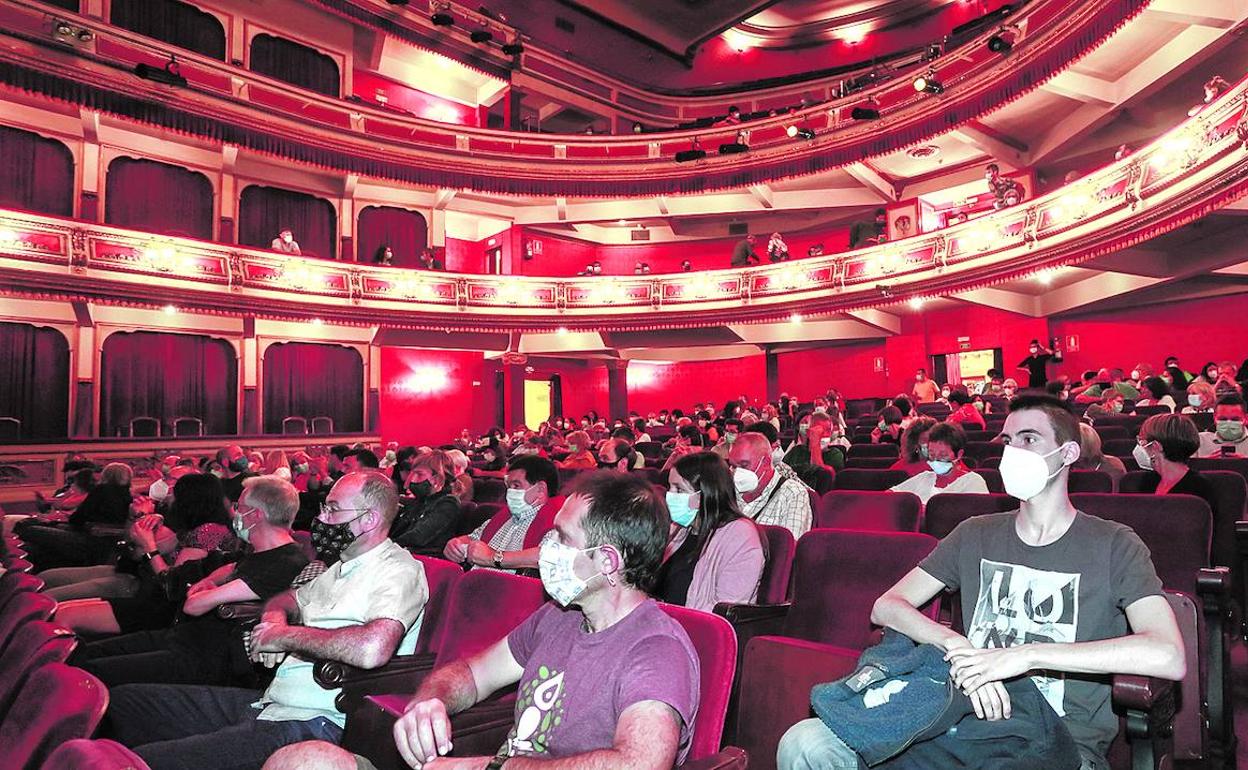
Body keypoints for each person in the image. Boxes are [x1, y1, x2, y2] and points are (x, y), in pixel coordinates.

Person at [777, 394, 1185, 770]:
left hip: (1057, 740)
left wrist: (1027, 655)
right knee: (804, 742)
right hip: (961, 720)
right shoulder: (975, 533)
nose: (1014, 452)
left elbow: (1167, 654)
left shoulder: (1114, 544)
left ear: (1068, 453)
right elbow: (886, 606)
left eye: (1029, 439)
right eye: (1009, 440)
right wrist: (956, 644)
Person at [267, 472, 701, 770]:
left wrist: (491, 766)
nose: (546, 546)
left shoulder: (656, 647)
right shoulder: (558, 618)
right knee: (305, 759)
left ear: (606, 561)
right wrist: (432, 701)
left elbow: (639, 763)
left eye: (562, 538)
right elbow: (472, 674)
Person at [105, 471, 427, 770]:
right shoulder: (340, 567)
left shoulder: (397, 570)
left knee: (141, 763)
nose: (321, 519)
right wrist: (274, 617)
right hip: (269, 704)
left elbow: (373, 647)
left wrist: (284, 636)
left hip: (311, 724)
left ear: (368, 519)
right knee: (124, 703)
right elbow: (287, 598)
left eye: (332, 510)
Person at [70, 476, 311, 687]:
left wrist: (208, 590)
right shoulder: (254, 553)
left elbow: (193, 605)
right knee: (82, 655)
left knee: (91, 673)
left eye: (239, 507)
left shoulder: (286, 560)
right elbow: (215, 574)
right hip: (181, 636)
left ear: (256, 515)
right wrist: (211, 584)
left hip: (205, 656)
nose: (234, 513)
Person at [658, 452, 765, 612]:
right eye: (670, 487)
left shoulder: (740, 536)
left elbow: (722, 609)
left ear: (703, 495)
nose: (670, 496)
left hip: (693, 629)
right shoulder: (681, 529)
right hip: (660, 621)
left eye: (679, 490)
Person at [443, 455, 562, 573]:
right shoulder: (506, 515)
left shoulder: (559, 521)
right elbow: (474, 537)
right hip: (477, 582)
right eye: (509, 486)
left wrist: (493, 557)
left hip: (513, 588)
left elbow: (551, 556)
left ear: (541, 490)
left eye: (516, 486)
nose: (509, 492)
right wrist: (456, 544)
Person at [18, 461, 134, 569]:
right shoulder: (128, 496)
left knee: (29, 529)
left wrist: (59, 522)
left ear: (106, 475)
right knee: (35, 547)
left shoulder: (102, 490)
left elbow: (77, 519)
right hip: (105, 546)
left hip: (88, 542)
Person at [728, 432, 812, 539]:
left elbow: (789, 547)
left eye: (744, 465)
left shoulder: (793, 494)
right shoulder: (727, 489)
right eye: (733, 466)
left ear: (766, 462)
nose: (736, 472)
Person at [1132, 413, 1216, 512]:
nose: (1140, 447)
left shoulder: (1199, 487)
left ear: (1156, 446)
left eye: (1142, 441)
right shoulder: (1147, 481)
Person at [889, 423, 988, 505]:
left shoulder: (973, 481)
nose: (936, 460)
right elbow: (890, 495)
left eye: (943, 455)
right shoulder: (924, 477)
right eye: (932, 454)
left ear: (959, 454)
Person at [389, 450, 461, 557]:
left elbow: (418, 537)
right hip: (405, 556)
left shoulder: (448, 503)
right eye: (412, 473)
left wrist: (387, 547)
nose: (412, 480)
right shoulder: (419, 502)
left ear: (437, 479)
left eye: (419, 474)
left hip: (427, 561)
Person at [782, 412, 844, 486]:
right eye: (819, 431)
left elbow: (821, 476)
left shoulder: (835, 454)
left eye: (827, 431)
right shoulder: (796, 451)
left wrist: (815, 442)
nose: (823, 434)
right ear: (808, 432)